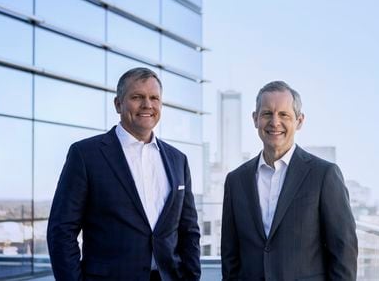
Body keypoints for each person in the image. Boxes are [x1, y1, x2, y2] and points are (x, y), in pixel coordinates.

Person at [47, 67, 201, 281]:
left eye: (154, 98)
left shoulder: (178, 160)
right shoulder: (85, 155)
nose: (147, 105)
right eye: (137, 97)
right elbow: (62, 231)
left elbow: (189, 230)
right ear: (118, 104)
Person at [221, 81, 358, 281]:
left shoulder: (324, 175)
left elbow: (343, 251)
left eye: (284, 115)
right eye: (267, 113)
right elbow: (230, 254)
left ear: (299, 121)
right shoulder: (236, 180)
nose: (274, 122)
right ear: (255, 119)